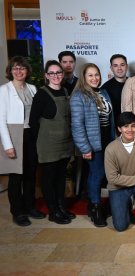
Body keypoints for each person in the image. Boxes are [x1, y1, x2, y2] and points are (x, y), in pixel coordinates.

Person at [0, 56, 46, 226]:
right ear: (10, 71)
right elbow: (1, 120)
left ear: (27, 71)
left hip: (31, 134)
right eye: (15, 68)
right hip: (14, 134)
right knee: (15, 176)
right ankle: (17, 212)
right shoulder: (4, 90)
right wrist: (8, 145)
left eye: (22, 68)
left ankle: (30, 206)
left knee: (30, 173)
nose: (19, 71)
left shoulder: (32, 88)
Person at [70, 63, 115, 227]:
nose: (94, 78)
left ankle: (95, 204)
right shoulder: (78, 96)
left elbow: (110, 119)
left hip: (107, 139)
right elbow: (77, 125)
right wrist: (84, 147)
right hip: (92, 142)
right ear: (84, 77)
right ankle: (95, 208)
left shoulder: (103, 92)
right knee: (97, 174)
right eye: (90, 75)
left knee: (103, 174)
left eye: (96, 74)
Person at [29, 60, 74, 224]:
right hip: (48, 144)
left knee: (61, 178)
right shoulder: (41, 94)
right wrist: (39, 143)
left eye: (58, 72)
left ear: (62, 74)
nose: (56, 76)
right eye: (52, 73)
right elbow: (33, 121)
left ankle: (62, 207)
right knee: (49, 179)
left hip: (65, 142)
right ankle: (53, 211)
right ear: (46, 75)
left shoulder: (65, 90)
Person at [101, 54, 128, 125]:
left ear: (126, 66)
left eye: (122, 65)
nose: (119, 68)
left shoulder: (134, 83)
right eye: (115, 65)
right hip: (115, 129)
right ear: (111, 68)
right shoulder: (105, 88)